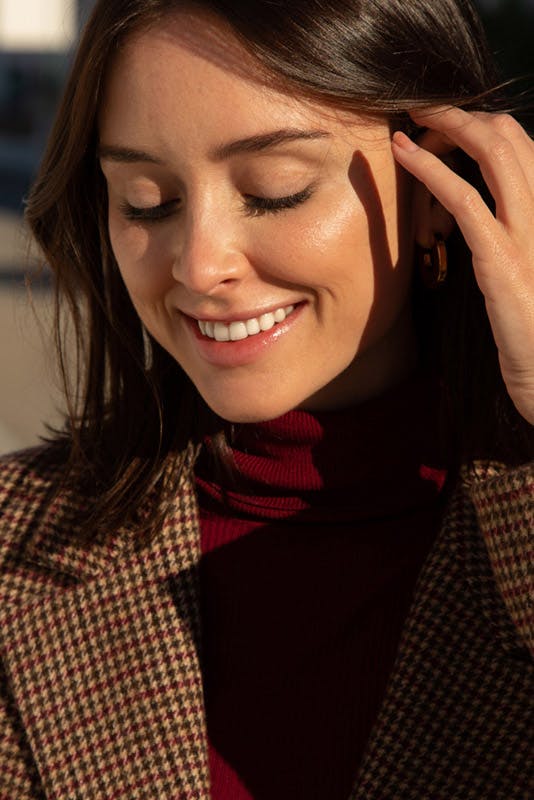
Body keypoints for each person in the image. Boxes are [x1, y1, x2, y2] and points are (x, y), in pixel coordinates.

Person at [1, 0, 533, 797]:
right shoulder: (19, 552)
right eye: (148, 200)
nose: (198, 264)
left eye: (275, 189)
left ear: (438, 189)